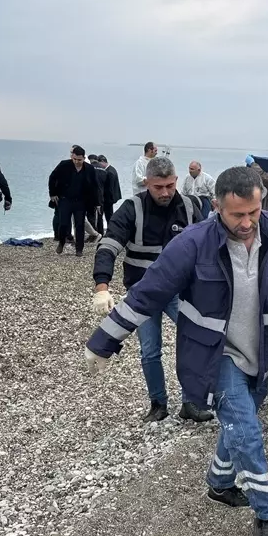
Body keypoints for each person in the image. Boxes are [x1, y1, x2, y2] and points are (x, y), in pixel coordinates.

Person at [86, 166, 268, 536]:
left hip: (265, 351)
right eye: (236, 215)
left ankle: (219, 483)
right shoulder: (192, 244)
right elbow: (148, 293)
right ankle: (266, 511)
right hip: (216, 355)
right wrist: (103, 342)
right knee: (246, 429)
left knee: (240, 423)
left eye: (253, 213)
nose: (247, 223)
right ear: (216, 207)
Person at [91, 155, 206, 422]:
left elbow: (208, 246)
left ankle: (191, 402)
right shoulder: (132, 209)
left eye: (169, 185)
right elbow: (109, 245)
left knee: (196, 341)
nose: (165, 192)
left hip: (180, 292)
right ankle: (158, 404)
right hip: (143, 293)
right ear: (147, 183)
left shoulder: (189, 208)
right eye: (158, 187)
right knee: (150, 350)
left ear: (176, 181)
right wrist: (101, 285)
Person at [48, 145, 100, 255]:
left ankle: (79, 249)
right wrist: (53, 194)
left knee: (79, 225)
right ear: (72, 157)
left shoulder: (89, 169)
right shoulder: (64, 165)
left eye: (79, 160)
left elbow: (95, 186)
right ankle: (61, 243)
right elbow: (52, 177)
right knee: (64, 224)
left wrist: (97, 203)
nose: (76, 162)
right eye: (74, 159)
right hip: (65, 199)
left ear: (84, 158)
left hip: (81, 201)